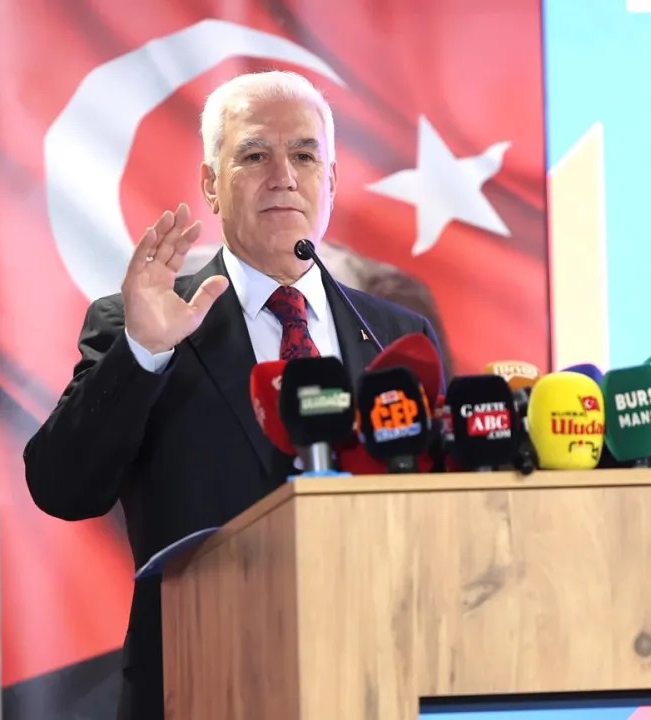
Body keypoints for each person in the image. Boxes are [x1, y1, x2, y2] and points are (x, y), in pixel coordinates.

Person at [22, 70, 444, 720]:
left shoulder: (397, 335)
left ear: (331, 180)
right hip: (198, 683)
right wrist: (143, 351)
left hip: (372, 679)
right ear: (211, 184)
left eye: (304, 155)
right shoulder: (146, 322)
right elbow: (62, 487)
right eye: (254, 155)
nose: (284, 176)